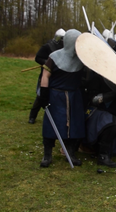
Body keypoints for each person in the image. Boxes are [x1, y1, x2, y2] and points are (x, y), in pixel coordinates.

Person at [38, 29, 85, 168]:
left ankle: (70, 153)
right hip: (56, 96)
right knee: (51, 125)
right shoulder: (54, 56)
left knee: (74, 126)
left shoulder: (81, 59)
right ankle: (47, 155)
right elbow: (45, 76)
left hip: (74, 96)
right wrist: (44, 95)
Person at [28, 29, 65, 124]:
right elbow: (38, 58)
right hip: (46, 74)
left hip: (57, 76)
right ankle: (32, 116)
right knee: (41, 96)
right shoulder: (48, 46)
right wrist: (48, 63)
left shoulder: (64, 48)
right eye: (62, 39)